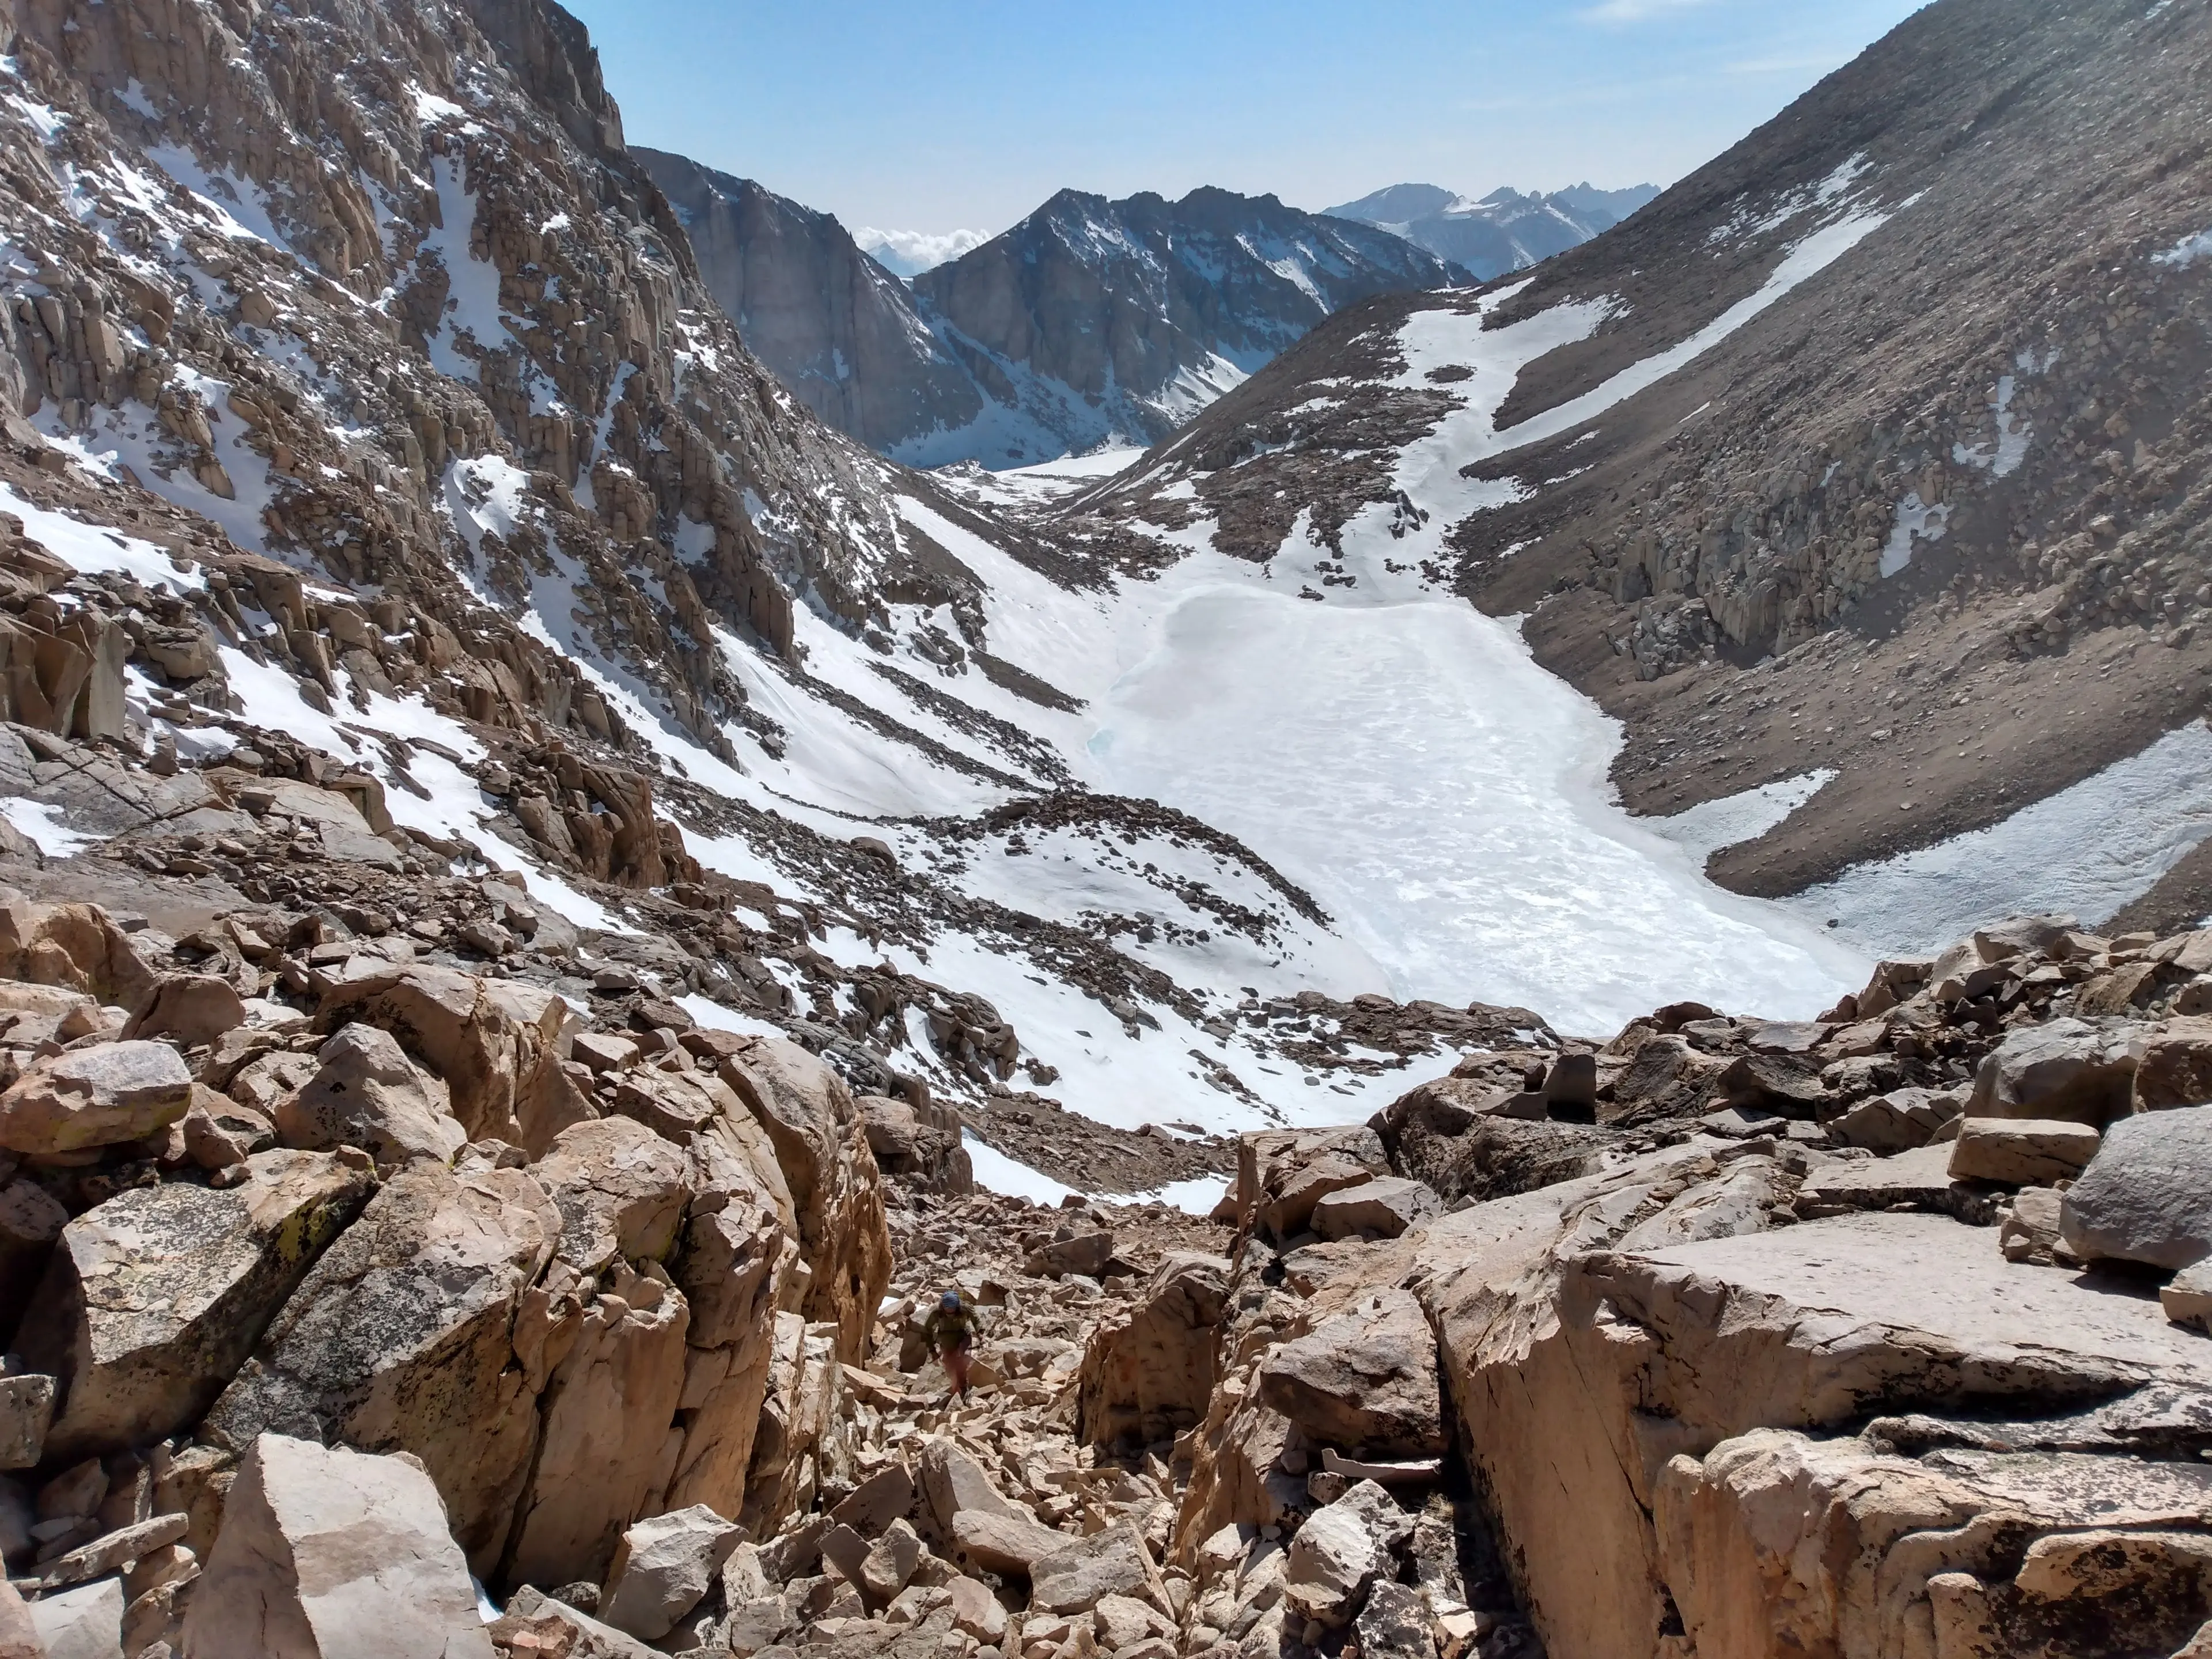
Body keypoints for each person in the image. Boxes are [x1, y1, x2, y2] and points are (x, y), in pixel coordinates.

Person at [922, 1288, 978, 1402]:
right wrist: (932, 1350)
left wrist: (981, 1332)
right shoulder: (936, 1312)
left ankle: (965, 1387)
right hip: (946, 1341)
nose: (950, 1311)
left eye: (952, 1309)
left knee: (962, 1359)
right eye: (947, 1309)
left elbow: (976, 1320)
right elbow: (927, 1331)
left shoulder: (965, 1308)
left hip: (964, 1336)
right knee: (951, 1366)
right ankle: (956, 1391)